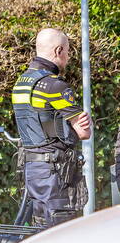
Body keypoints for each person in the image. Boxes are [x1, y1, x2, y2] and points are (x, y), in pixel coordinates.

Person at [12, 28, 93, 227]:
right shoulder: (55, 86)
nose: (68, 56)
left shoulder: (21, 83)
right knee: (61, 234)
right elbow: (84, 132)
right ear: (58, 51)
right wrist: (82, 123)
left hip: (32, 170)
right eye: (67, 51)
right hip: (55, 174)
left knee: (41, 232)